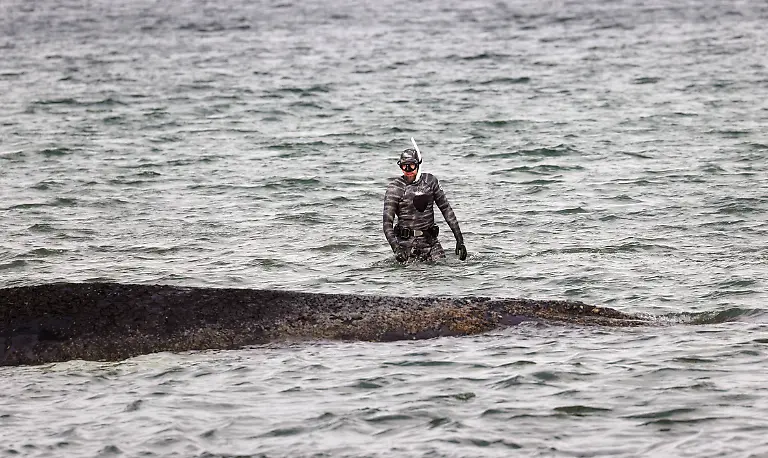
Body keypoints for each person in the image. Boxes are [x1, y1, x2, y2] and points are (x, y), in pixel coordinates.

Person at [382, 145, 467, 263]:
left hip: (430, 242)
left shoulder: (430, 182)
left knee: (444, 272)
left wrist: (459, 240)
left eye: (411, 166)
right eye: (404, 166)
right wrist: (396, 248)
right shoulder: (395, 188)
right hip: (406, 244)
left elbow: (446, 210)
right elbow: (387, 224)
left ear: (418, 164)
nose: (408, 170)